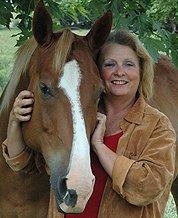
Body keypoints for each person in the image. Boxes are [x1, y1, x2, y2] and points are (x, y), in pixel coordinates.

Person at [2, 29, 176, 218]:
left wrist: (99, 147)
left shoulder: (158, 126)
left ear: (142, 70)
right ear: (98, 71)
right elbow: (28, 164)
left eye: (129, 64)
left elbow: (148, 187)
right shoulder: (80, 116)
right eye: (110, 64)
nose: (119, 72)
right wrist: (14, 122)